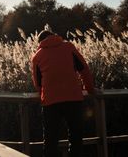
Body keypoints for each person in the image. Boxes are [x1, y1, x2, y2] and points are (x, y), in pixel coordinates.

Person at [30, 29, 95, 157]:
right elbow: (84, 69)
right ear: (54, 36)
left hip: (50, 103)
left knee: (50, 141)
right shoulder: (69, 47)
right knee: (76, 138)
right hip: (74, 99)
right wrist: (90, 89)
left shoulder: (37, 56)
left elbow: (38, 85)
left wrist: (44, 94)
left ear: (40, 42)